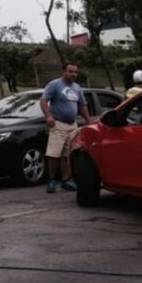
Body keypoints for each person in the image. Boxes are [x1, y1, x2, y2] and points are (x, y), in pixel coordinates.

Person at [40, 62, 90, 194]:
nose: (73, 74)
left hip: (72, 125)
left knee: (67, 155)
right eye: (70, 71)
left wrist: (88, 120)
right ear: (63, 72)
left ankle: (65, 180)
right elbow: (43, 100)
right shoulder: (55, 85)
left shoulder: (77, 88)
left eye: (75, 72)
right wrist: (49, 117)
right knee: (54, 154)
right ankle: (51, 180)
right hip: (58, 124)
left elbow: (82, 105)